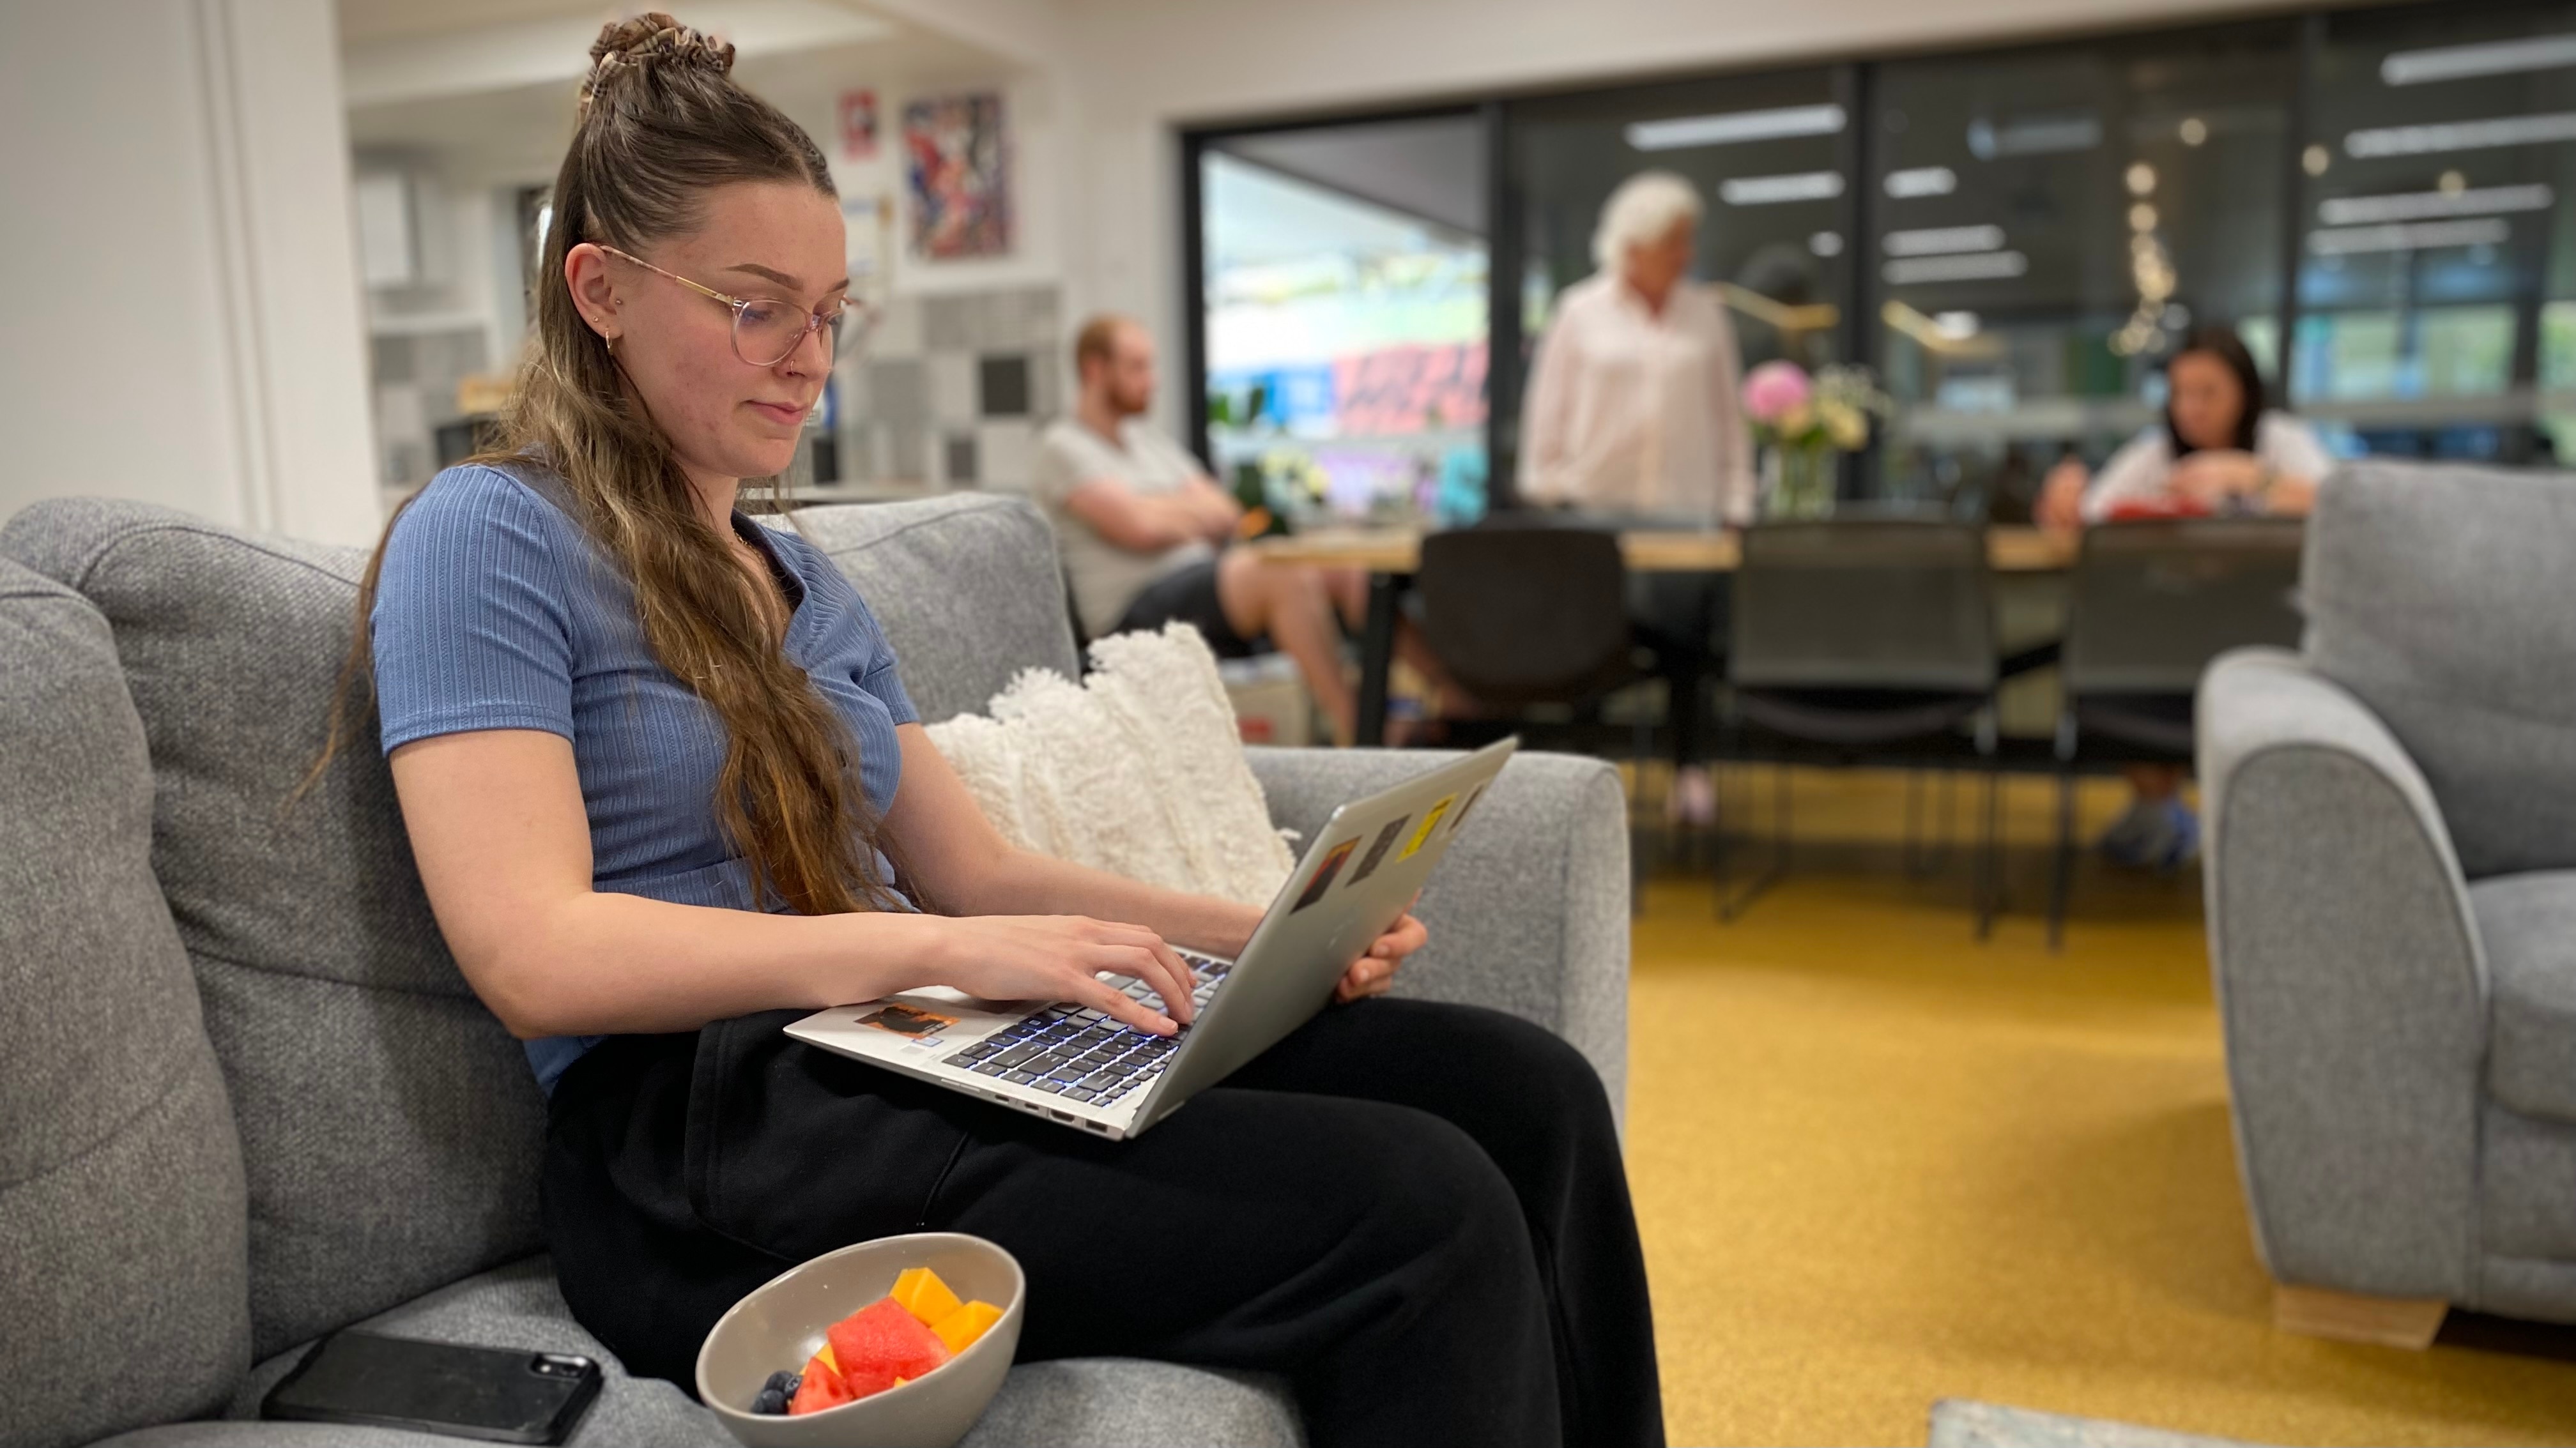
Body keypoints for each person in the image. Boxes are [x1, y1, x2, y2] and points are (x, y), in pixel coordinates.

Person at [330, 17, 1660, 1448]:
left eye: (833, 310)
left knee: (1532, 1095)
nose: (806, 357)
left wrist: (1264, 933)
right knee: (1421, 1205)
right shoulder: (489, 535)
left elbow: (977, 872)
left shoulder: (806, 579)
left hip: (897, 1043)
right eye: (755, 305)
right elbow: (535, 953)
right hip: (702, 1138)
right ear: (600, 287)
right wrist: (942, 951)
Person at [1035, 317, 1419, 745]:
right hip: (1134, 610)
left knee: (1345, 571)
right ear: (1094, 369)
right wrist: (1177, 509)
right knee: (1281, 574)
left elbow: (1225, 512)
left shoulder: (1147, 440)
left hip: (1201, 577)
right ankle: (1361, 734)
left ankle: (1457, 703)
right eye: (1137, 367)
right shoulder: (1063, 446)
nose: (1152, 380)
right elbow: (1139, 529)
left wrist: (1157, 507)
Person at [2035, 324, 2331, 869]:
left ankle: (2231, 828)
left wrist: (2249, 478)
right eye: (2178, 393)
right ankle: (2157, 809)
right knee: (2112, 639)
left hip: (2262, 638)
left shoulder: (2281, 443)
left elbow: (2342, 508)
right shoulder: (2155, 455)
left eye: (2208, 393)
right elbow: (2087, 524)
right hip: (2167, 637)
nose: (2190, 409)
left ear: (2246, 392)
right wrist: (2060, 498)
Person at [1520, 172, 1754, 826]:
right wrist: (1550, 486)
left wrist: (1738, 500)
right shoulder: (1579, 311)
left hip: (1688, 512)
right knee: (1595, 649)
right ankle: (1584, 788)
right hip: (1594, 514)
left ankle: (1689, 770)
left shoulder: (1705, 312)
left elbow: (1728, 415)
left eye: (1688, 240)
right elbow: (1548, 409)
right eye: (1675, 240)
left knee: (1687, 645)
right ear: (1635, 244)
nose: (1686, 253)